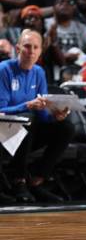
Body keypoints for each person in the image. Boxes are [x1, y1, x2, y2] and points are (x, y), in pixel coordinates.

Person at [0, 29, 73, 202]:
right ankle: (19, 180)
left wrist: (55, 116)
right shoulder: (4, 70)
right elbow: (1, 109)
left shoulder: (39, 72)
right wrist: (26, 106)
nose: (31, 51)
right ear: (18, 49)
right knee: (28, 118)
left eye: (35, 47)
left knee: (66, 128)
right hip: (4, 130)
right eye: (26, 46)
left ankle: (37, 179)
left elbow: (41, 113)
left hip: (26, 133)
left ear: (40, 51)